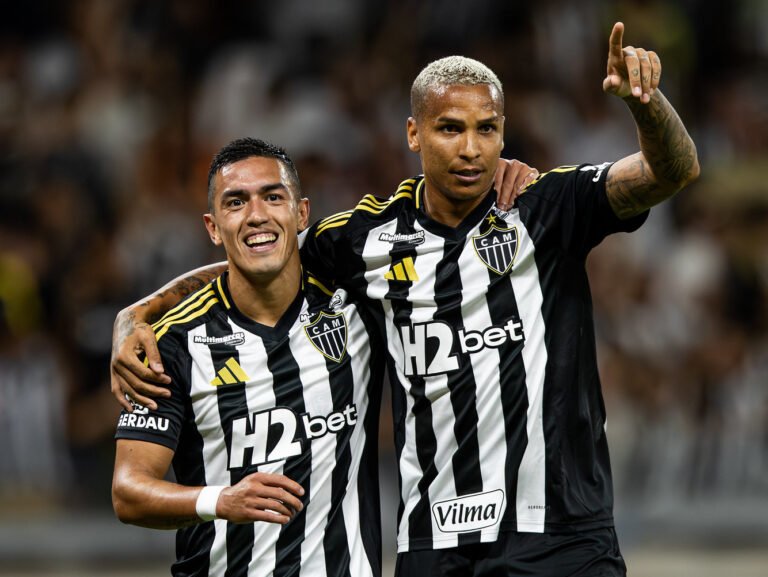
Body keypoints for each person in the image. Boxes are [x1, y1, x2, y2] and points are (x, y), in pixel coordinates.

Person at [112, 22, 699, 577]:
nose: (470, 149)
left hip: (559, 534)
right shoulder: (362, 239)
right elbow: (263, 254)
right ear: (414, 134)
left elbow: (671, 171)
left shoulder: (546, 207)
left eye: (486, 130)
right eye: (451, 129)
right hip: (433, 548)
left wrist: (647, 106)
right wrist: (138, 314)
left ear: (503, 134)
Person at [112, 138, 391, 577]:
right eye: (236, 202)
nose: (257, 215)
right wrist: (220, 500)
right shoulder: (172, 344)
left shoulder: (358, 304)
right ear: (212, 227)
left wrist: (501, 171)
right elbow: (129, 492)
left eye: (273, 197)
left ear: (301, 213)